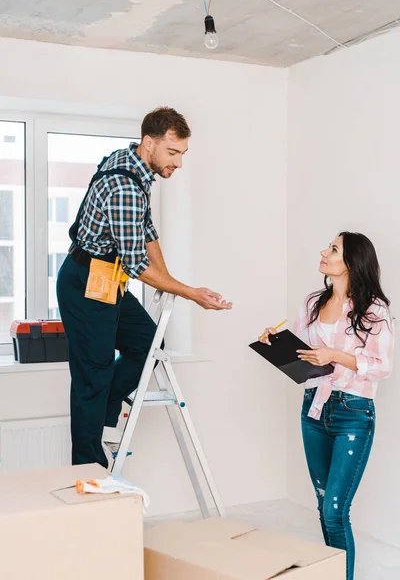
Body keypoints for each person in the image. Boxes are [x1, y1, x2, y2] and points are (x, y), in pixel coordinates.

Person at [57, 107, 232, 470]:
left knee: (149, 345)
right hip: (86, 281)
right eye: (173, 152)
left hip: (107, 280)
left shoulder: (134, 164)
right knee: (93, 376)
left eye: (183, 153)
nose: (179, 163)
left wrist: (167, 284)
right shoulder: (125, 187)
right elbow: (137, 265)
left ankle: (108, 403)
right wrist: (190, 293)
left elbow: (147, 231)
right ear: (149, 143)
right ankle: (89, 471)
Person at [259, 232, 394, 580]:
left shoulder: (375, 310)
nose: (323, 252)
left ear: (351, 263)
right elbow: (302, 353)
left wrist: (335, 356)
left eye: (333, 249)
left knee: (335, 510)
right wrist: (274, 343)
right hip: (314, 411)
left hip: (353, 413)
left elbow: (382, 366)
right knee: (323, 506)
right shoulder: (313, 303)